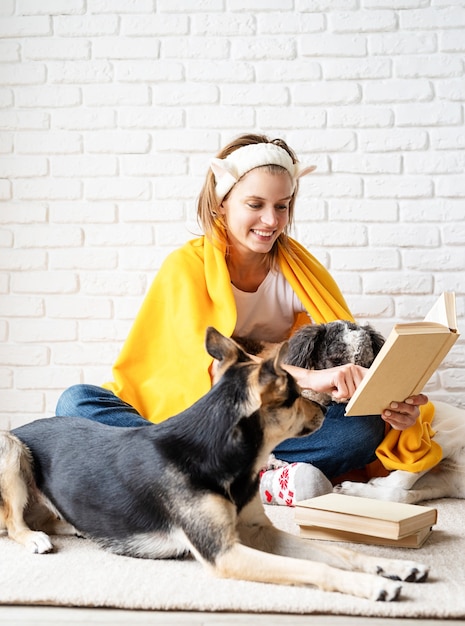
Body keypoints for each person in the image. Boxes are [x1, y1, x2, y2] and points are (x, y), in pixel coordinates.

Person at [56, 133, 440, 506]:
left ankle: (197, 474)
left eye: (282, 206)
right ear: (221, 204)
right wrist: (307, 377)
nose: (271, 221)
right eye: (255, 204)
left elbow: (344, 363)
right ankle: (249, 477)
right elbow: (206, 370)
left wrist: (389, 407)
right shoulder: (185, 267)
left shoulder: (301, 275)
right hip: (192, 421)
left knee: (360, 431)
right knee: (76, 403)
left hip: (266, 424)